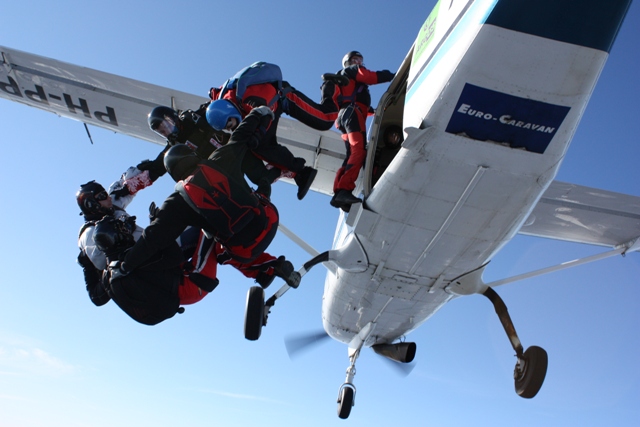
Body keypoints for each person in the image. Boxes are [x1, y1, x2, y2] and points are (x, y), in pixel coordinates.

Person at [113, 107, 301, 296]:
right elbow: (240, 135)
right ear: (192, 155)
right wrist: (258, 113)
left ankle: (265, 269)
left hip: (245, 249)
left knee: (215, 243)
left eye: (165, 126)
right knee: (254, 195)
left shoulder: (178, 201)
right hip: (269, 219)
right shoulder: (218, 159)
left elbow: (152, 239)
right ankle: (266, 270)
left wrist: (125, 266)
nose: (166, 131)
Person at [205, 62, 347, 200]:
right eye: (227, 128)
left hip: (283, 96)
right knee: (255, 145)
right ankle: (299, 173)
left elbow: (265, 113)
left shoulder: (249, 100)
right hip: (268, 105)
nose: (231, 128)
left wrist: (258, 133)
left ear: (229, 111)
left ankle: (331, 84)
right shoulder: (221, 103)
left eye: (230, 124)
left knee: (325, 119)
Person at [144, 105, 280, 198]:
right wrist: (144, 170)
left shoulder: (196, 117)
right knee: (240, 195)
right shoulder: (174, 147)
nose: (167, 132)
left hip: (235, 151)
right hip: (223, 170)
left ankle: (281, 169)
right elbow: (158, 167)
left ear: (173, 118)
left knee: (261, 177)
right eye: (162, 132)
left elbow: (217, 106)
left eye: (167, 126)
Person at [330, 51, 395, 211]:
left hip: (345, 116)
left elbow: (359, 102)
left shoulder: (344, 80)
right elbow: (370, 77)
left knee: (351, 154)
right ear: (347, 62)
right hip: (353, 114)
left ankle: (339, 193)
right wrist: (393, 75)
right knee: (359, 151)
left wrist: (375, 111)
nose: (359, 62)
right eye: (355, 59)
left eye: (360, 59)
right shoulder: (352, 71)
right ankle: (344, 190)